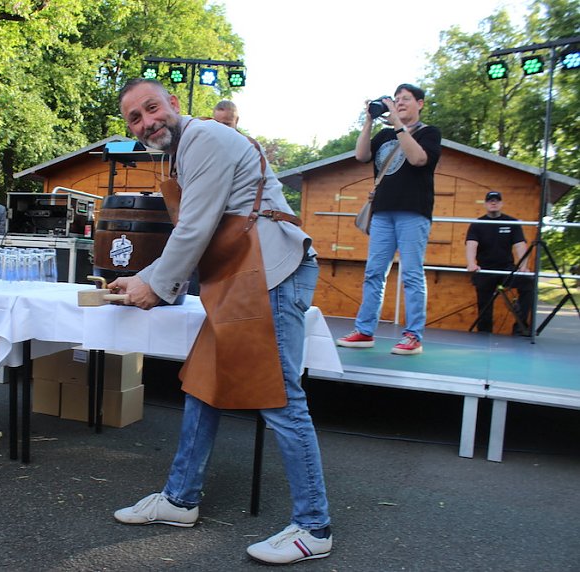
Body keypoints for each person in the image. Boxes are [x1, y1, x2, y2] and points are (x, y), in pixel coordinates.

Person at [110, 79, 331, 565]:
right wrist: (141, 278)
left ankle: (314, 526)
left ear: (173, 102)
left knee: (280, 397)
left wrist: (154, 286)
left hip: (268, 273)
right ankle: (179, 499)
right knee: (204, 384)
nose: (147, 122)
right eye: (134, 118)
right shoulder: (183, 149)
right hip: (240, 275)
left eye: (151, 108)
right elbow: (197, 230)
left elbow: (196, 226)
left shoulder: (205, 138)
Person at [336, 84, 442, 355]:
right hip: (382, 212)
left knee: (411, 274)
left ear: (420, 103)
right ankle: (364, 331)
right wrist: (369, 121)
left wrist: (397, 122)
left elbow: (418, 159)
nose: (399, 103)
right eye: (396, 100)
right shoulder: (384, 135)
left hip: (413, 213)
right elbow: (361, 156)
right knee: (374, 273)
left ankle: (413, 336)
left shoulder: (429, 133)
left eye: (405, 99)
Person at [465, 191, 534, 335]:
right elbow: (471, 244)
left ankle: (519, 328)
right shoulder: (477, 224)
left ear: (501, 204)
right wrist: (471, 263)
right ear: (485, 204)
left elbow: (520, 245)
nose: (493, 203)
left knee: (528, 283)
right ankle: (484, 332)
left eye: (497, 200)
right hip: (485, 269)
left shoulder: (511, 223)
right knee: (484, 302)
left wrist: (523, 267)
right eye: (490, 200)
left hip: (506, 269)